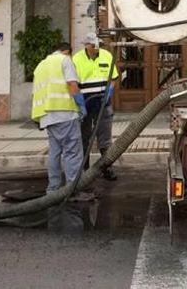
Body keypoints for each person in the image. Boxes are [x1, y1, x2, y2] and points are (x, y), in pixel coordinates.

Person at [31, 42, 87, 194]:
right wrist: (81, 104)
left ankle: (53, 189)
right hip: (64, 113)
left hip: (47, 116)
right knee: (72, 152)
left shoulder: (41, 65)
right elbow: (72, 84)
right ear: (67, 51)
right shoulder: (64, 60)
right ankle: (72, 189)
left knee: (55, 152)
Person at [72, 34, 120, 180]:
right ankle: (84, 170)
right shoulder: (76, 59)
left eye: (97, 46)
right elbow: (73, 84)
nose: (96, 49)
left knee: (105, 138)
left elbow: (113, 79)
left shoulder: (106, 56)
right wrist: (80, 103)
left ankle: (107, 168)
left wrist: (110, 91)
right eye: (93, 47)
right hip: (85, 102)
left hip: (103, 103)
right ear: (86, 45)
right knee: (84, 137)